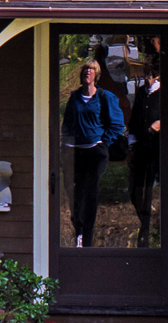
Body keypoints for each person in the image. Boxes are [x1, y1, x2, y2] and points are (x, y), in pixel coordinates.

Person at [63, 58, 126, 247]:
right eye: (85, 70)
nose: (87, 73)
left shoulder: (104, 97)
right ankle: (78, 232)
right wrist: (65, 142)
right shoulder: (74, 97)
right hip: (76, 152)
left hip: (95, 152)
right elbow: (67, 123)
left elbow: (117, 124)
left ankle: (87, 238)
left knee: (90, 192)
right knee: (74, 192)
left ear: (96, 75)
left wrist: (103, 142)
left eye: (91, 70)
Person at [128, 61, 164, 246]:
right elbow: (134, 119)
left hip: (154, 149)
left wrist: (158, 124)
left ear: (155, 77)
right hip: (140, 146)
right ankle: (143, 220)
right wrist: (131, 142)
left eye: (148, 76)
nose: (146, 79)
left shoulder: (163, 94)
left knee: (148, 188)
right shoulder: (142, 93)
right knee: (134, 190)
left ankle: (146, 230)